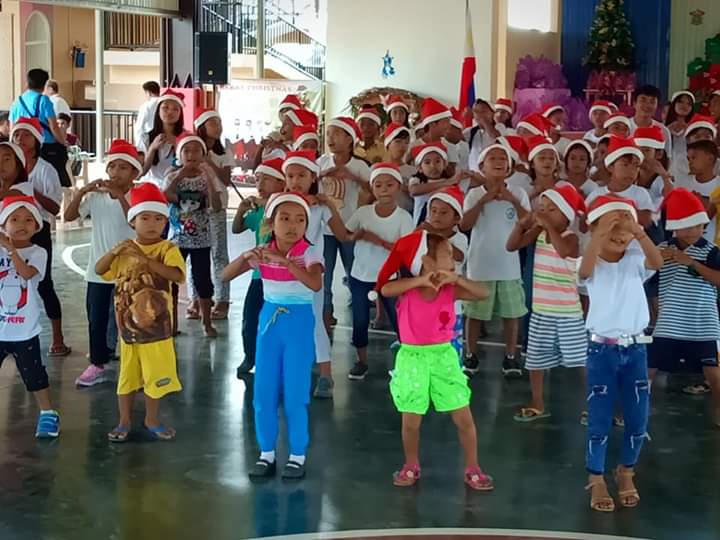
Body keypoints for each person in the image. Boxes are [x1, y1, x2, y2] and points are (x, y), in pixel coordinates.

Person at [377, 230, 494, 491]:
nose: (453, 258)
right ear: (426, 261)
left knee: (463, 416)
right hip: (412, 359)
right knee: (411, 421)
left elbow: (483, 293)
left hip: (444, 358)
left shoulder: (451, 290)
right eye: (447, 254)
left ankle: (473, 466)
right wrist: (419, 281)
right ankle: (411, 464)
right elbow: (386, 288)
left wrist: (457, 277)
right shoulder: (407, 290)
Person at [222, 192, 322, 480]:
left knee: (295, 392)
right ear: (271, 222)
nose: (293, 225)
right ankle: (266, 453)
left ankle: (297, 454)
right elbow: (226, 275)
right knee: (263, 392)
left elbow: (315, 284)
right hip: (269, 323)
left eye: (300, 220)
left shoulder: (310, 252)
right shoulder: (263, 252)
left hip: (298, 324)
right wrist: (246, 257)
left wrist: (287, 262)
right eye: (285, 218)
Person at [578, 193, 663, 513]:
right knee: (599, 418)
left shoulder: (635, 260)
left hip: (636, 350)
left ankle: (626, 471)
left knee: (638, 417)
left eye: (624, 225)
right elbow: (584, 273)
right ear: (594, 229)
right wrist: (598, 235)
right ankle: (596, 477)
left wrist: (639, 231)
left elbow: (657, 262)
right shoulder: (590, 262)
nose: (618, 232)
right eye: (608, 225)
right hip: (602, 350)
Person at [96, 182, 185, 443]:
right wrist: (115, 251)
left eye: (159, 218)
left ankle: (152, 419)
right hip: (128, 331)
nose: (152, 224)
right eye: (145, 218)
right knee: (126, 377)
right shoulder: (124, 249)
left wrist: (146, 260)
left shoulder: (167, 249)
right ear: (132, 221)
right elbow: (102, 270)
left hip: (157, 331)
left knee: (155, 377)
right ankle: (124, 420)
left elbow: (177, 275)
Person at [506, 185, 587, 422]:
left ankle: (594, 404)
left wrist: (548, 225)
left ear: (566, 214)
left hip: (567, 312)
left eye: (552, 209)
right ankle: (538, 401)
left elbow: (563, 252)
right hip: (542, 309)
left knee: (581, 361)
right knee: (536, 358)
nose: (545, 213)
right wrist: (522, 224)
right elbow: (511, 246)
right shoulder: (539, 234)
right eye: (542, 209)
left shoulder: (571, 237)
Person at [64, 140, 138, 387]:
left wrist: (121, 198)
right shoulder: (96, 197)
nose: (116, 172)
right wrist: (82, 192)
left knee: (129, 319)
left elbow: (137, 224)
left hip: (130, 272)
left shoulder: (138, 195)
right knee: (96, 318)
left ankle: (135, 364)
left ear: (134, 173)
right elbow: (69, 216)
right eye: (112, 167)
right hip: (98, 271)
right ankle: (97, 363)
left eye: (123, 168)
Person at [335, 163, 414, 380]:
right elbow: (345, 236)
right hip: (360, 275)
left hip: (388, 277)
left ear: (398, 187)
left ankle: (408, 362)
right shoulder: (363, 212)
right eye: (378, 185)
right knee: (359, 321)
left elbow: (404, 251)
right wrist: (357, 236)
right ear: (372, 188)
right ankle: (361, 361)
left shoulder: (404, 218)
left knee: (399, 321)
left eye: (389, 185)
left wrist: (377, 240)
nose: (384, 189)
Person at [649, 188, 720, 426]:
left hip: (703, 322)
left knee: (714, 374)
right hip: (670, 322)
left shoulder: (711, 251)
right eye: (687, 226)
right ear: (675, 226)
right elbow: (649, 277)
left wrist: (690, 262)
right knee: (647, 370)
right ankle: (634, 412)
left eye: (698, 225)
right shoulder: (662, 249)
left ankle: (718, 413)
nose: (693, 231)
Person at [461, 143, 530, 377]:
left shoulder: (518, 193)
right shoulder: (473, 194)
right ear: (481, 167)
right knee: (475, 314)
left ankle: (511, 356)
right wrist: (484, 200)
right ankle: (470, 354)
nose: (499, 161)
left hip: (509, 265)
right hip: (480, 266)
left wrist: (512, 199)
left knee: (511, 314)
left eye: (504, 159)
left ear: (510, 169)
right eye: (493, 158)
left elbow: (527, 222)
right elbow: (464, 225)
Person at [282, 150, 346, 398]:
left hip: (309, 272)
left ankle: (326, 376)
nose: (295, 180)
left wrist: (329, 204)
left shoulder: (320, 207)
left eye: (302, 175)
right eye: (290, 175)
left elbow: (341, 235)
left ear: (313, 177)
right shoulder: (279, 203)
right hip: (282, 273)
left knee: (315, 322)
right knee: (285, 322)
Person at [0, 195, 60, 438]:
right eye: (14, 219)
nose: (21, 224)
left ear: (37, 226)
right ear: (3, 226)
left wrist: (11, 249)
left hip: (25, 330)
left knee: (34, 375)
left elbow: (25, 274)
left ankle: (48, 413)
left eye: (28, 219)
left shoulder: (38, 252)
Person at [10, 118, 69, 357]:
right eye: (16, 135)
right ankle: (11, 334)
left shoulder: (45, 169)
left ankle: (57, 337)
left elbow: (55, 209)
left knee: (44, 284)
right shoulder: (8, 168)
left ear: (36, 140)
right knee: (9, 280)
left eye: (25, 135)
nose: (20, 139)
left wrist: (30, 192)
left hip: (38, 230)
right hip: (10, 232)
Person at [163, 133, 221, 338]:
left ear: (203, 154)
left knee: (203, 281)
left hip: (201, 240)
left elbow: (217, 205)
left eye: (196, 150)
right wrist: (180, 176)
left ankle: (207, 322)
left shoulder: (207, 177)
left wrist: (210, 180)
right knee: (171, 282)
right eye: (186, 150)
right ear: (180, 154)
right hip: (176, 239)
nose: (191, 154)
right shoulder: (172, 175)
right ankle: (171, 324)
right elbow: (165, 196)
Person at [232, 158, 286, 376]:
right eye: (258, 179)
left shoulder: (283, 207)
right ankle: (250, 356)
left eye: (266, 179)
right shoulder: (257, 212)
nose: (260, 183)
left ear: (281, 184)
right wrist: (241, 210)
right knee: (250, 317)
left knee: (278, 320)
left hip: (281, 275)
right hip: (259, 275)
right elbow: (237, 228)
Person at [317, 117, 371, 330]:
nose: (331, 138)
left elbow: (373, 189)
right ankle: (326, 314)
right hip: (324, 229)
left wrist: (351, 177)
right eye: (328, 133)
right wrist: (321, 175)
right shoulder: (321, 162)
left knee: (354, 272)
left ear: (350, 139)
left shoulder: (359, 165)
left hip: (349, 228)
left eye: (337, 134)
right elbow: (309, 185)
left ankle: (360, 312)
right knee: (325, 273)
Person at [187, 109, 236, 320]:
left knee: (218, 253)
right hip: (193, 208)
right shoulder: (191, 149)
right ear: (202, 126)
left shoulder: (224, 152)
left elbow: (225, 180)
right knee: (194, 253)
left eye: (219, 122)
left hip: (216, 208)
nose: (218, 127)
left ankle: (222, 299)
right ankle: (195, 299)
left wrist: (209, 160)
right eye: (213, 123)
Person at [9, 69, 69, 187]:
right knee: (53, 179)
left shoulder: (17, 102)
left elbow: (12, 128)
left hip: (21, 147)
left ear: (27, 82)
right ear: (44, 84)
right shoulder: (44, 100)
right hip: (45, 147)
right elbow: (54, 127)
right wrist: (63, 142)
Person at [586, 136, 655, 229]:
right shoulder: (596, 194)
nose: (631, 170)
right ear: (610, 167)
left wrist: (614, 204)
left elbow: (646, 221)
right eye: (625, 165)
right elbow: (584, 224)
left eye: (636, 165)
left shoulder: (640, 193)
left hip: (632, 242)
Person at [409, 142, 467, 225]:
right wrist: (448, 182)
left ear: (444, 164)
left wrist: (469, 174)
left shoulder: (453, 180)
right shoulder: (417, 180)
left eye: (437, 161)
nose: (433, 166)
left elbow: (480, 181)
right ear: (419, 168)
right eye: (427, 162)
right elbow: (414, 191)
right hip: (422, 225)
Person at [140, 90, 186, 186]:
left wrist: (178, 146)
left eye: (175, 109)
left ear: (180, 114)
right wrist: (152, 148)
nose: (170, 112)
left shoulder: (186, 137)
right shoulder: (147, 137)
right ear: (158, 111)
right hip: (154, 188)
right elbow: (141, 172)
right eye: (165, 108)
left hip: (178, 188)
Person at [686, 139, 720, 243]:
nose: (690, 162)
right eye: (688, 158)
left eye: (694, 157)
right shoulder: (684, 186)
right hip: (687, 246)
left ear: (710, 159)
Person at [629, 85, 672, 155]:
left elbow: (667, 160)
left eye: (652, 102)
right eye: (643, 100)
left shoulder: (663, 131)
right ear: (634, 103)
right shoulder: (624, 127)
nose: (647, 105)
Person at [383, 123, 415, 212]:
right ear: (388, 144)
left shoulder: (413, 171)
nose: (403, 145)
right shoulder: (378, 169)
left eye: (406, 142)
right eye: (398, 141)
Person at [465, 98, 499, 172]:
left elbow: (496, 137)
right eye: (476, 112)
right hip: (474, 175)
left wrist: (485, 122)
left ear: (492, 113)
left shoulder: (500, 128)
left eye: (483, 111)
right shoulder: (470, 132)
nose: (479, 115)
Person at [134, 81, 160, 146]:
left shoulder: (146, 106)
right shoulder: (164, 102)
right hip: (162, 136)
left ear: (149, 92)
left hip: (149, 137)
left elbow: (139, 126)